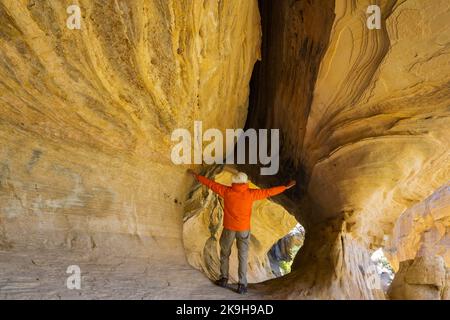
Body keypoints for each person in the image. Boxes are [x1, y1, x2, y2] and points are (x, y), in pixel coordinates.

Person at [187, 169, 296, 294]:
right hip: (244, 230)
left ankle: (223, 278)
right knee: (243, 256)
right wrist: (285, 187)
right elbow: (268, 192)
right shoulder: (250, 194)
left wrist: (197, 176)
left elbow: (211, 184)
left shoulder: (227, 191)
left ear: (234, 182)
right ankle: (242, 285)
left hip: (229, 228)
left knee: (225, 253)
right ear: (245, 182)